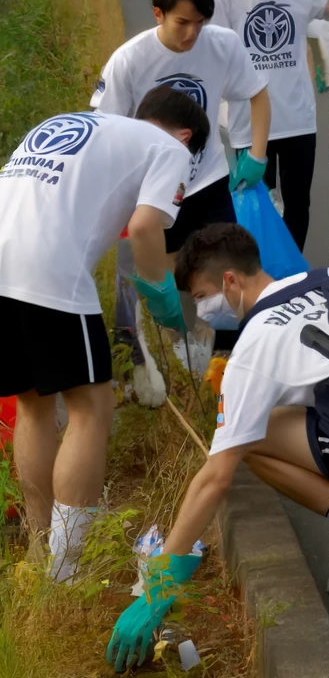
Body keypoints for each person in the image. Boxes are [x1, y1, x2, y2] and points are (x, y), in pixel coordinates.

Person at [106, 223, 329, 671]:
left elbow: (215, 476)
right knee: (289, 417)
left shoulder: (253, 346)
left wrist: (158, 587)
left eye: (202, 297)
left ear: (230, 280)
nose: (203, 312)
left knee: (243, 441)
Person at [0, 87, 210, 582]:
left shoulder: (80, 123)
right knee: (91, 408)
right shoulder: (172, 149)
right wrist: (160, 294)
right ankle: (67, 569)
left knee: (33, 404)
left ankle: (40, 553)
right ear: (185, 136)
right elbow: (144, 228)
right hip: (46, 269)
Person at [91, 0, 271, 293]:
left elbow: (257, 93)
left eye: (200, 22)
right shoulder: (129, 60)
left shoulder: (223, 44)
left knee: (225, 269)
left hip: (209, 179)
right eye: (183, 23)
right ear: (158, 14)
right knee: (168, 277)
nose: (193, 33)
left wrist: (257, 155)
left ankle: (220, 341)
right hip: (155, 190)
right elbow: (104, 130)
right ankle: (172, 336)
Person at [211, 0, 329, 251]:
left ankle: (292, 268)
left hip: (296, 114)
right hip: (248, 118)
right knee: (254, 203)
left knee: (298, 201)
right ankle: (258, 270)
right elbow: (215, 43)